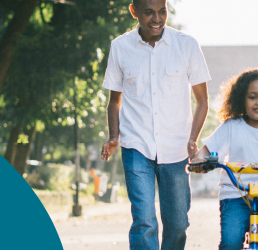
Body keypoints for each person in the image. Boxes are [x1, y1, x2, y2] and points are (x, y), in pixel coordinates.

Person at [99, 0, 211, 249]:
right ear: (134, 11)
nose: (157, 19)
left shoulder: (186, 45)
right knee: (144, 220)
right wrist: (113, 136)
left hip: (177, 148)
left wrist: (193, 139)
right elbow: (114, 102)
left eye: (162, 11)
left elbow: (203, 101)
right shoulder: (120, 47)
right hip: (136, 146)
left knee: (178, 223)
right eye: (149, 13)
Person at [189, 69, 258, 250]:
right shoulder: (232, 127)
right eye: (252, 97)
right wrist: (199, 162)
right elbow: (205, 152)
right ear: (242, 99)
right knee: (230, 244)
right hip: (235, 194)